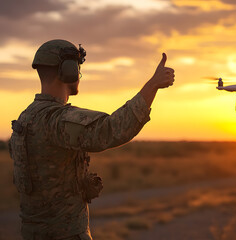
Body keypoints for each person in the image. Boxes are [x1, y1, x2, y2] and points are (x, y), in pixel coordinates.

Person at [8, 39, 175, 240]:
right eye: (77, 67)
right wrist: (152, 85)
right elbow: (112, 129)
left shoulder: (25, 119)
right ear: (68, 70)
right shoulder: (56, 119)